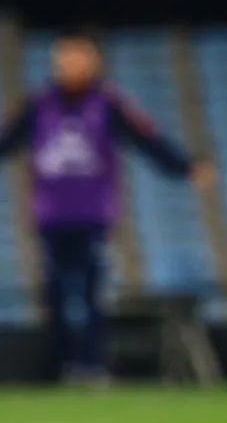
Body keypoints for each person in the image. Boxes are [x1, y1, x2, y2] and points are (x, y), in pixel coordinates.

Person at [0, 28, 214, 385]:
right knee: (54, 293)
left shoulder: (109, 102)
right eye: (64, 57)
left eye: (78, 56)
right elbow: (5, 139)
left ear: (93, 61)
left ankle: (93, 366)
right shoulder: (38, 105)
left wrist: (186, 167)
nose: (70, 64)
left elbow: (149, 139)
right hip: (51, 215)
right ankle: (62, 368)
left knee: (91, 292)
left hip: (93, 214)